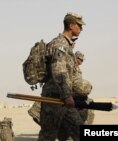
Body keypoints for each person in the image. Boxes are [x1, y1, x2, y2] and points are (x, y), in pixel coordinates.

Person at [38, 12, 85, 141]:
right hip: (54, 100)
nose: (82, 29)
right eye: (79, 26)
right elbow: (59, 71)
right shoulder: (60, 45)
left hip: (64, 100)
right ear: (71, 25)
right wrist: (67, 95)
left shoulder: (66, 45)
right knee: (47, 136)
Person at [74, 51, 95, 125]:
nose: (82, 61)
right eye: (80, 59)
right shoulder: (71, 67)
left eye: (82, 60)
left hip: (77, 92)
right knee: (87, 103)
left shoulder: (77, 68)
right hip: (71, 93)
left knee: (89, 102)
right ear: (76, 58)